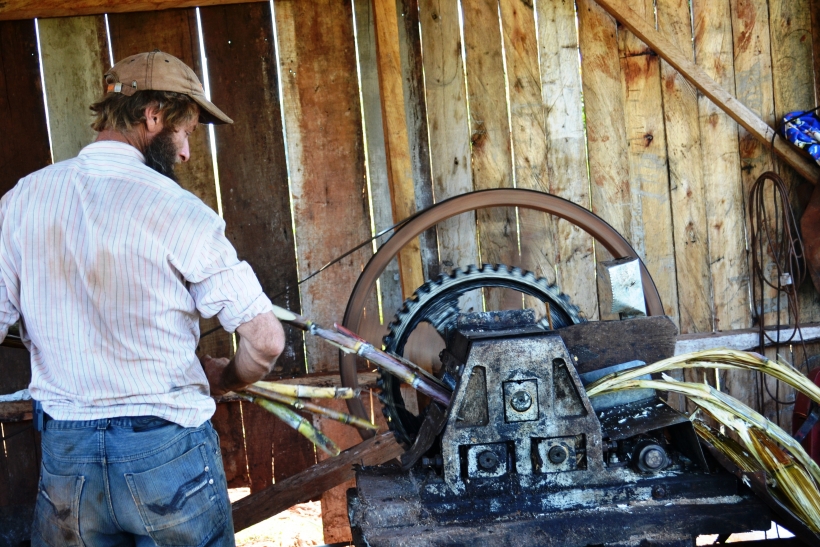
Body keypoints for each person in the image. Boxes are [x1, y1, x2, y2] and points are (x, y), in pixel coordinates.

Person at [0, 50, 285, 546]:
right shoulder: (179, 210)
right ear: (153, 115)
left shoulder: (24, 200)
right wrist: (228, 379)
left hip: (68, 458)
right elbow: (265, 340)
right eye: (186, 132)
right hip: (167, 454)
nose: (186, 153)